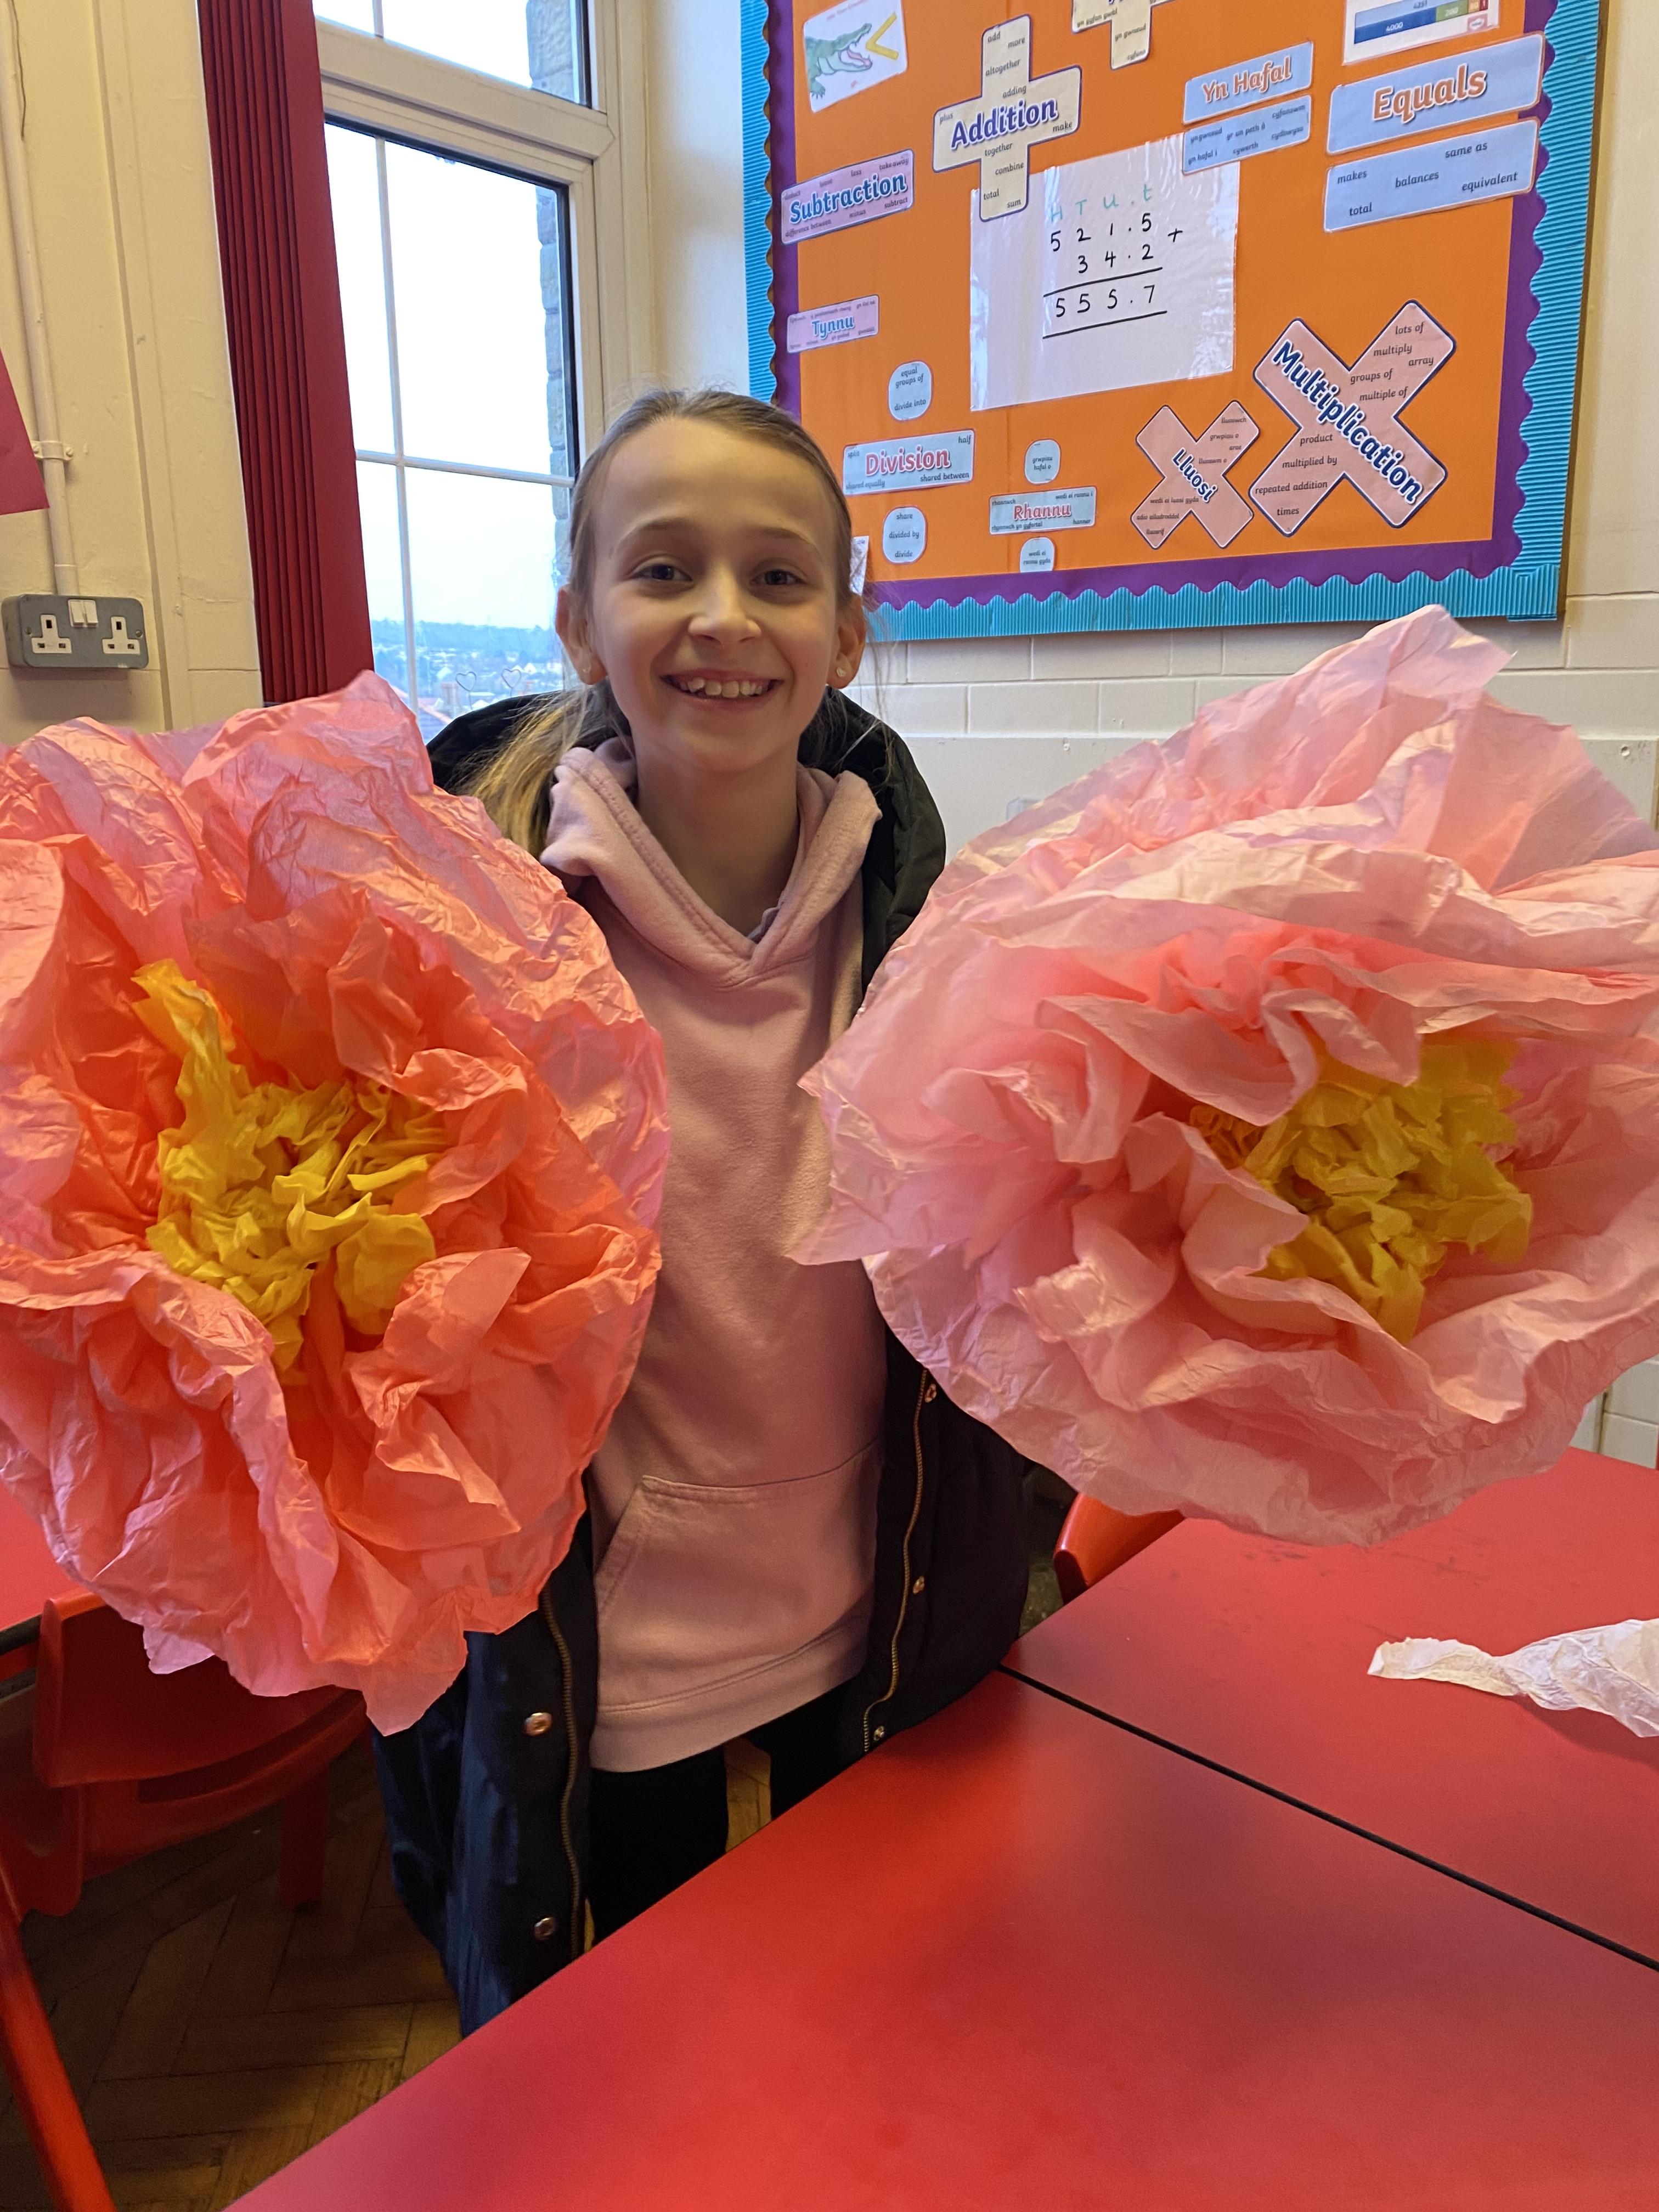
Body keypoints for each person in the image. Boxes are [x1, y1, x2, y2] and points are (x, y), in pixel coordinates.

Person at [375, 388, 1029, 2034]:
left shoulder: (944, 929)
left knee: (870, 2020)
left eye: (780, 577)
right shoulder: (470, 932)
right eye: (663, 570)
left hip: (877, 1601)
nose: (724, 618)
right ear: (579, 622)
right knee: (639, 2055)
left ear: (847, 634)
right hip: (611, 1650)